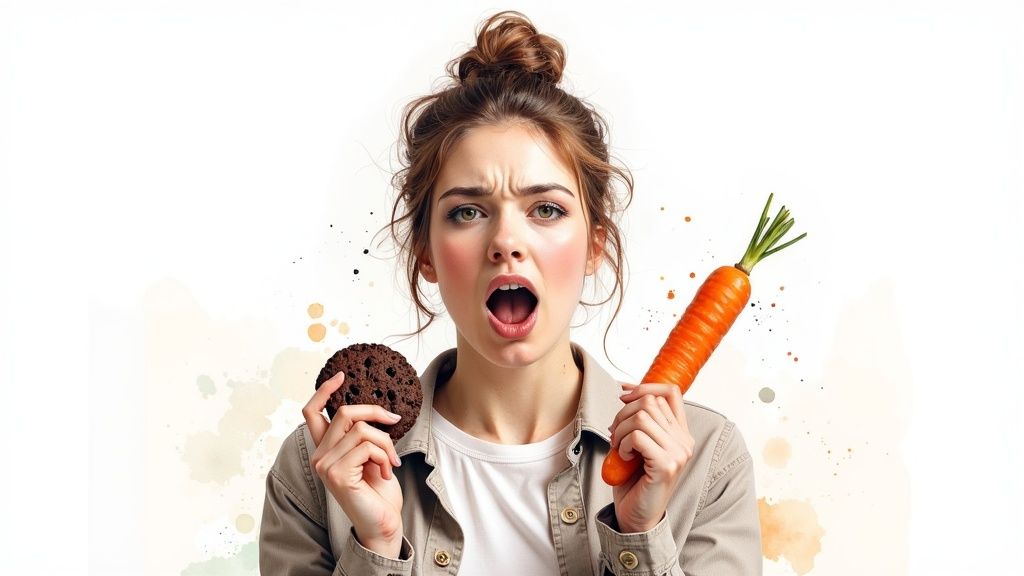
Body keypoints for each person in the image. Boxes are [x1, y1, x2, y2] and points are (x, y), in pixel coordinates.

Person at [259, 10, 762, 575]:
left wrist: (640, 537)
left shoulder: (705, 461)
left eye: (545, 209)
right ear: (425, 252)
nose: (505, 242)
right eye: (468, 212)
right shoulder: (317, 469)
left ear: (595, 245)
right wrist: (376, 546)